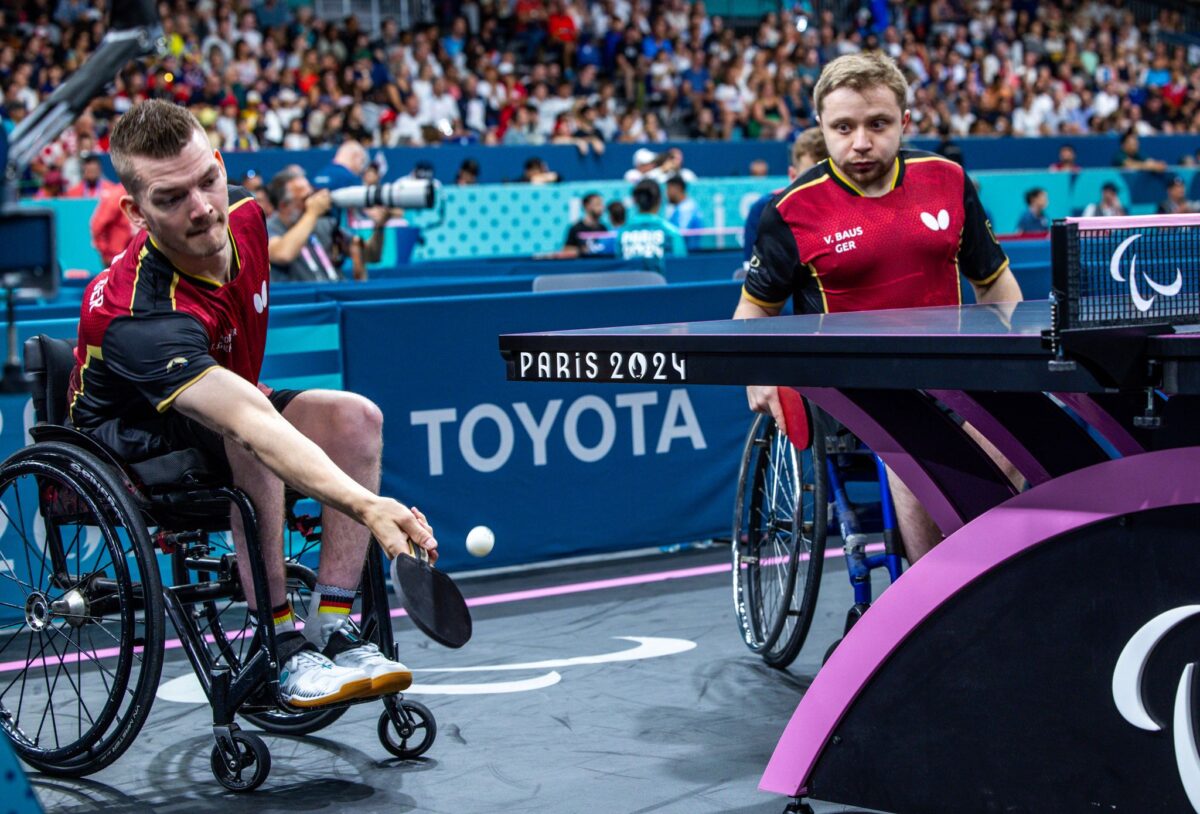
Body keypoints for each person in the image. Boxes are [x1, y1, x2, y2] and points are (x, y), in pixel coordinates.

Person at [67, 101, 436, 708]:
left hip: (221, 400)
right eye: (171, 198)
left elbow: (246, 404)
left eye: (207, 180)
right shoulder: (139, 312)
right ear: (135, 212)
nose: (202, 208)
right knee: (253, 441)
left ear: (220, 162)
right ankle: (282, 648)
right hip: (133, 444)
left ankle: (334, 624)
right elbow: (248, 423)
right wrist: (370, 506)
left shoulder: (246, 214)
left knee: (356, 417)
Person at [736, 52, 1021, 564]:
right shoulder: (790, 211)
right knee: (914, 448)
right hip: (853, 391)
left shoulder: (949, 180)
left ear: (905, 122)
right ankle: (936, 588)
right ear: (820, 126)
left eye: (878, 124)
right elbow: (752, 313)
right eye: (843, 127)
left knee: (1024, 435)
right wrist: (758, 377)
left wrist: (1021, 361)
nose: (861, 142)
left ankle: (985, 567)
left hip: (952, 374)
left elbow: (997, 285)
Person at [265, 166, 388, 282]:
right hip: (303, 300)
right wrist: (311, 213)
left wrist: (379, 226)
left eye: (312, 195)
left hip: (335, 296)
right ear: (283, 205)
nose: (312, 202)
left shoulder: (323, 223)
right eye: (305, 199)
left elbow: (371, 255)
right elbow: (283, 254)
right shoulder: (268, 228)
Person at [743, 127, 829, 269]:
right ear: (792, 175)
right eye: (809, 177)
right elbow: (754, 277)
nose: (818, 186)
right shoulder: (764, 209)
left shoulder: (852, 209)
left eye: (826, 177)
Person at [618, 178, 687, 272]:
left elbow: (618, 266)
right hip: (662, 286)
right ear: (659, 200)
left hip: (630, 285)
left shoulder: (622, 233)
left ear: (635, 201)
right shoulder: (671, 232)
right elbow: (680, 267)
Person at [90, 179, 136, 268]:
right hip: (116, 258)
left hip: (132, 257)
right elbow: (98, 225)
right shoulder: (117, 195)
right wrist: (106, 252)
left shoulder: (140, 194)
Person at [557, 192, 608, 258]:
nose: (602, 207)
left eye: (602, 204)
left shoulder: (603, 228)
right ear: (587, 206)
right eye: (597, 204)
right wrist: (582, 250)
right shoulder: (576, 228)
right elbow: (566, 250)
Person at [665, 175, 704, 250]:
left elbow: (681, 234)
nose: (666, 193)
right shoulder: (680, 207)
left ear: (677, 188)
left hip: (689, 253)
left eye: (668, 189)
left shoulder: (687, 208)